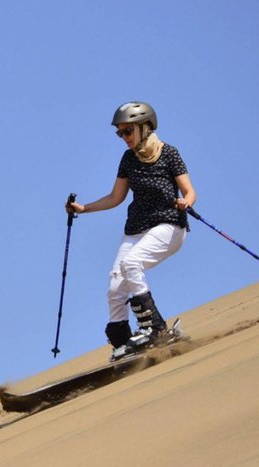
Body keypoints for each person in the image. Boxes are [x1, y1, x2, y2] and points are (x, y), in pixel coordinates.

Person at [66, 101, 197, 360]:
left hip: (168, 225)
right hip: (136, 229)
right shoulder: (128, 159)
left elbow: (190, 191)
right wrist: (83, 209)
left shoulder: (169, 153)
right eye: (120, 132)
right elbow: (116, 197)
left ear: (145, 128)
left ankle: (155, 329)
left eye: (128, 131)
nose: (123, 137)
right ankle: (124, 343)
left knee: (131, 264)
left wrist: (186, 201)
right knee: (115, 286)